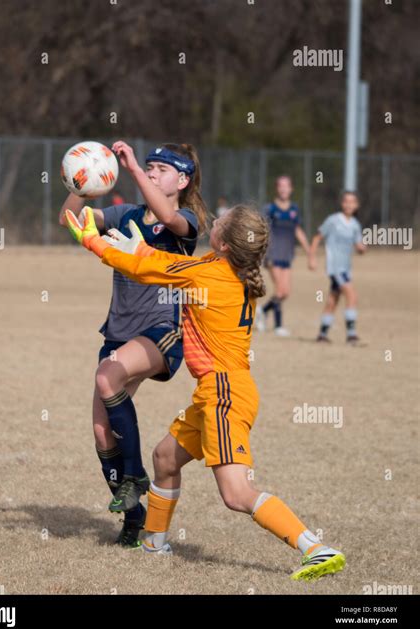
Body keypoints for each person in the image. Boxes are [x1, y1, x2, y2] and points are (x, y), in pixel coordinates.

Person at [64, 204, 347, 581]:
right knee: (165, 458)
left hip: (225, 393)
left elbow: (149, 270)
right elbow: (162, 263)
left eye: (219, 223)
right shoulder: (224, 270)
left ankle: (315, 547)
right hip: (216, 391)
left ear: (226, 245)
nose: (212, 223)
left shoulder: (210, 274)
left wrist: (93, 242)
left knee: (235, 494)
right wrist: (137, 247)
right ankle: (154, 544)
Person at [58, 141, 208, 547]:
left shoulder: (185, 222)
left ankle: (136, 474)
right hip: (119, 332)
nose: (152, 173)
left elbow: (167, 214)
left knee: (107, 378)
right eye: (149, 167)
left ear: (182, 179)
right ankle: (133, 515)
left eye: (161, 169)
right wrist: (82, 180)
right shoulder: (125, 215)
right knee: (101, 433)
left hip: (162, 329)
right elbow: (69, 217)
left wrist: (134, 172)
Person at [255, 175, 310, 336]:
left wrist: (309, 252)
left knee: (285, 292)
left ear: (291, 189)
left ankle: (263, 311)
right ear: (277, 188)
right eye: (281, 186)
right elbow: (261, 229)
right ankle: (278, 326)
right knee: (279, 290)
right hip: (272, 255)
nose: (284, 189)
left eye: (287, 186)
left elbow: (298, 230)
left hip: (287, 255)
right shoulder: (269, 209)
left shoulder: (294, 209)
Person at [309, 191, 366, 343]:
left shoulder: (355, 225)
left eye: (352, 201)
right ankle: (351, 335)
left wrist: (361, 248)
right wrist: (312, 258)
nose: (349, 204)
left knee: (333, 300)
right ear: (342, 204)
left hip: (346, 268)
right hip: (335, 267)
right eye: (346, 201)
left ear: (356, 205)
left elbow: (358, 245)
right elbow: (317, 237)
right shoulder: (333, 220)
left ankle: (322, 334)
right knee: (352, 296)